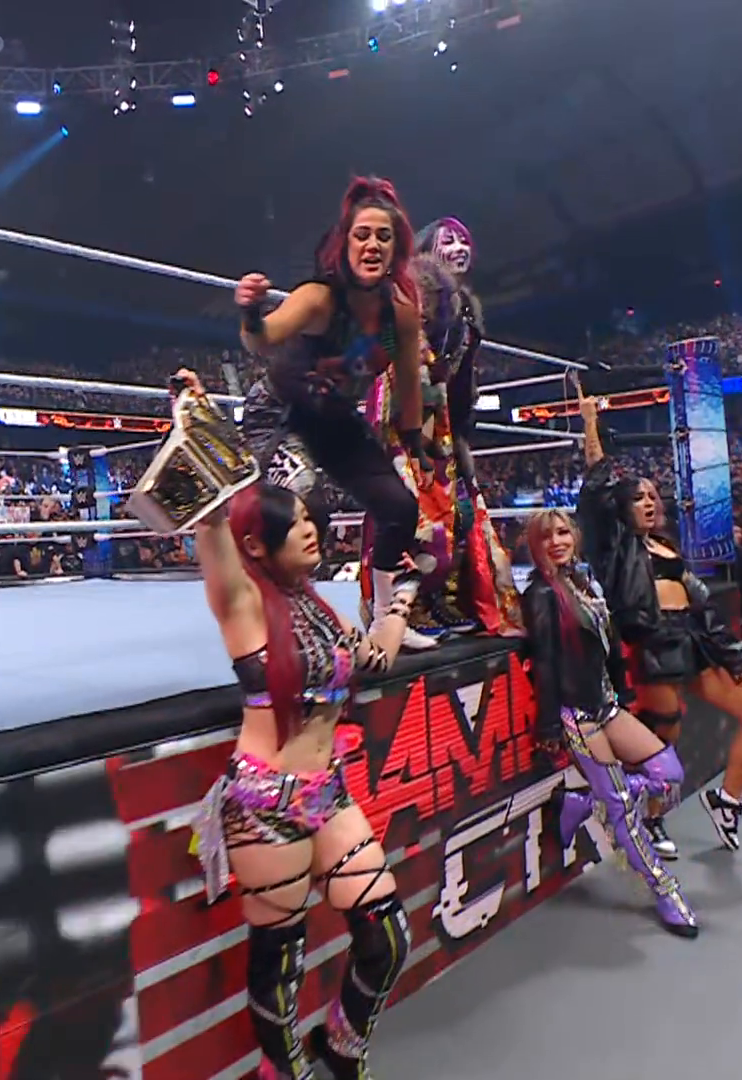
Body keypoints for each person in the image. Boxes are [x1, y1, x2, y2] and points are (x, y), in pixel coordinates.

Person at [186, 443, 409, 1079]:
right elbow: (211, 525)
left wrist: (400, 603)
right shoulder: (243, 604)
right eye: (296, 524)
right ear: (256, 545)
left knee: (387, 937)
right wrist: (199, 435)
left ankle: (343, 1045)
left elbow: (373, 657)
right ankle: (286, 1074)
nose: (313, 530)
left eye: (312, 519)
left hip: (327, 794)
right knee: (280, 963)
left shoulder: (317, 606)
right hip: (264, 805)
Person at [235, 176, 431, 664]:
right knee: (304, 509)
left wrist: (414, 442)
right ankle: (283, 627)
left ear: (396, 249)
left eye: (383, 236)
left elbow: (408, 381)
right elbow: (263, 340)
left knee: (400, 507)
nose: (372, 245)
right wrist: (252, 312)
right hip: (280, 414)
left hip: (335, 420)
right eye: (362, 235)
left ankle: (385, 617)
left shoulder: (399, 316)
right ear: (345, 243)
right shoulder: (321, 298)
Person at [575, 388, 742, 854]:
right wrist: (589, 423)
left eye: (652, 495)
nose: (648, 502)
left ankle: (727, 801)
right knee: (664, 732)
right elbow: (597, 484)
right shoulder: (615, 545)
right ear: (621, 507)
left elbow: (701, 602)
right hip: (653, 641)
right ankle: (649, 818)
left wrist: (732, 650)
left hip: (692, 640)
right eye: (637, 497)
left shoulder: (666, 546)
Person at [520, 509, 698, 937]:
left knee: (669, 775)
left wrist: (622, 692)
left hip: (606, 704)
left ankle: (583, 803)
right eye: (546, 537)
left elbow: (609, 645)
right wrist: (549, 727)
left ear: (575, 536)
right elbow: (545, 663)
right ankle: (666, 891)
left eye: (563, 532)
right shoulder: (541, 594)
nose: (557, 542)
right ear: (535, 545)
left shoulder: (583, 582)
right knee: (622, 809)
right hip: (576, 714)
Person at [353, 230, 521, 646]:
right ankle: (400, 607)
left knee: (453, 515)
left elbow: (456, 388)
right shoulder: (395, 305)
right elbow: (378, 369)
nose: (460, 248)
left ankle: (440, 597)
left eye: (465, 240)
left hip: (439, 427)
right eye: (448, 239)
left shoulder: (460, 320)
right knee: (411, 514)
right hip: (400, 424)